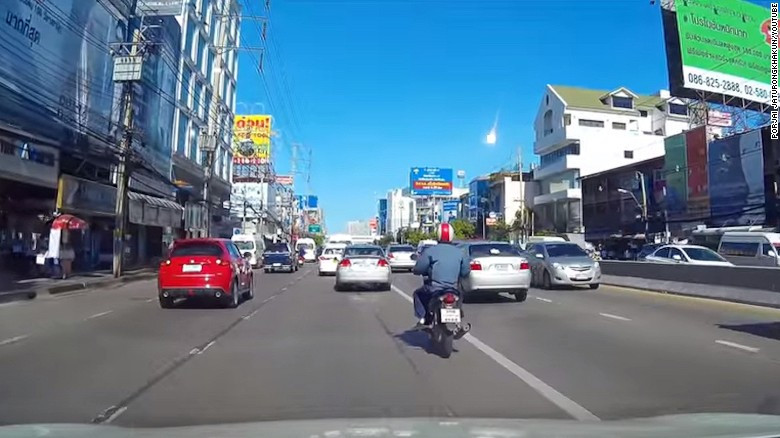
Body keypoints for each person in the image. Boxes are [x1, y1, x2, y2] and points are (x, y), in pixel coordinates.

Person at [411, 223, 471, 327]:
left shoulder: (430, 251)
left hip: (434, 289)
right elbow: (465, 271)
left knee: (418, 294)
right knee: (460, 295)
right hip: (453, 288)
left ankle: (423, 318)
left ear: (437, 235)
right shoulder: (460, 252)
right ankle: (459, 315)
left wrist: (417, 271)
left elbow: (419, 268)